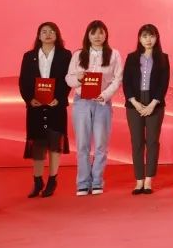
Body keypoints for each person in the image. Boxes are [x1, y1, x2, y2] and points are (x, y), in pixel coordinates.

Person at [65, 20, 123, 196]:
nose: (97, 36)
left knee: (100, 144)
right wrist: (78, 78)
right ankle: (83, 182)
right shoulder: (78, 55)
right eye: (93, 33)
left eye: (101, 32)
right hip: (82, 101)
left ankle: (97, 181)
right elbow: (68, 78)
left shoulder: (114, 54)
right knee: (82, 144)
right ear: (88, 35)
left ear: (106, 35)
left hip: (102, 102)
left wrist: (105, 95)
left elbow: (118, 79)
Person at [18, 22, 72, 198]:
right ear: (39, 36)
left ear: (57, 35)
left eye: (52, 31)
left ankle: (52, 180)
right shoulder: (29, 56)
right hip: (36, 107)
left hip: (56, 106)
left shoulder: (65, 55)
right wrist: (29, 99)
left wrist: (60, 99)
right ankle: (37, 181)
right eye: (44, 31)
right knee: (38, 146)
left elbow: (67, 80)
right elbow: (23, 81)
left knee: (55, 144)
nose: (48, 34)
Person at [122, 24, 170, 195]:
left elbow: (164, 83)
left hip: (154, 103)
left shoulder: (163, 58)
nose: (148, 40)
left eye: (151, 36)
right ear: (139, 38)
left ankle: (149, 179)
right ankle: (139, 180)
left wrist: (153, 104)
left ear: (157, 38)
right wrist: (134, 102)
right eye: (144, 36)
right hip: (134, 103)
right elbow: (126, 82)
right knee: (137, 142)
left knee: (152, 141)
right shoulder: (131, 57)